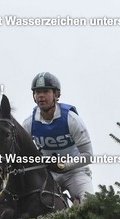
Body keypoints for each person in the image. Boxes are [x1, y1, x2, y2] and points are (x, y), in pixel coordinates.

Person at [22, 72, 94, 205]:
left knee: (90, 204)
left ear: (56, 94)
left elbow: (88, 156)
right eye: (37, 92)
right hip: (49, 174)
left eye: (45, 91)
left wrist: (63, 165)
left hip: (75, 172)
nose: (41, 96)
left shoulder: (72, 119)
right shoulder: (29, 123)